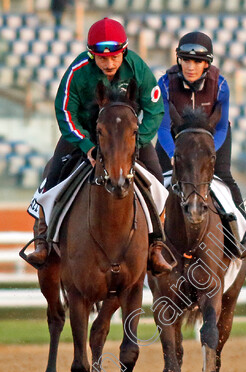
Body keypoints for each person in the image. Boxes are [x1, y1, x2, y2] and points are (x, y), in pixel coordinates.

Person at [25, 17, 172, 274]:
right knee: (53, 176)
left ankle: (156, 246)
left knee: (158, 181)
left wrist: (135, 142)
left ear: (123, 51)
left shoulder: (137, 67)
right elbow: (65, 112)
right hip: (84, 134)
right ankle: (42, 240)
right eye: (102, 58)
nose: (109, 63)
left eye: (114, 57)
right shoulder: (77, 71)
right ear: (91, 55)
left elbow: (154, 109)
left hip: (127, 136)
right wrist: (86, 145)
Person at [155, 31, 246, 261]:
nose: (191, 66)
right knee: (155, 178)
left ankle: (245, 236)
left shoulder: (220, 85)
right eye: (186, 60)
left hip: (212, 137)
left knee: (225, 178)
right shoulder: (164, 83)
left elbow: (220, 128)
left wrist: (209, 151)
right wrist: (173, 154)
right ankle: (148, 239)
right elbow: (162, 129)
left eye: (197, 61)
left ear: (206, 64)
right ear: (178, 59)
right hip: (172, 137)